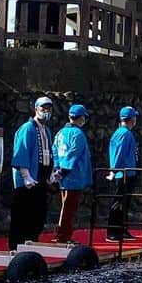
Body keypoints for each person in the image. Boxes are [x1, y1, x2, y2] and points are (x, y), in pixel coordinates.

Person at [9, 95, 54, 249]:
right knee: (23, 213)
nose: (46, 111)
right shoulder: (27, 128)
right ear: (36, 109)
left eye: (49, 108)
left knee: (38, 213)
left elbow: (48, 153)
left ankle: (32, 240)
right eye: (43, 108)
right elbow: (21, 152)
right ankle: (17, 245)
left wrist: (50, 174)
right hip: (27, 179)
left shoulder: (46, 130)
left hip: (41, 176)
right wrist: (26, 176)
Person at [51, 104, 92, 244]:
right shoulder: (78, 134)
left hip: (62, 175)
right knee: (69, 207)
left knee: (66, 205)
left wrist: (57, 169)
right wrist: (64, 170)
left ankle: (62, 234)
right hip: (73, 176)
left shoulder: (60, 133)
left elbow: (54, 151)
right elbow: (74, 153)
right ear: (81, 118)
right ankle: (63, 236)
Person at [106, 106, 139, 241]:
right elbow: (118, 153)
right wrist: (114, 170)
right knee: (119, 202)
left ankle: (122, 228)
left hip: (128, 172)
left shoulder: (124, 133)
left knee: (124, 202)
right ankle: (113, 231)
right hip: (123, 173)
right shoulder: (124, 133)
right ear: (131, 119)